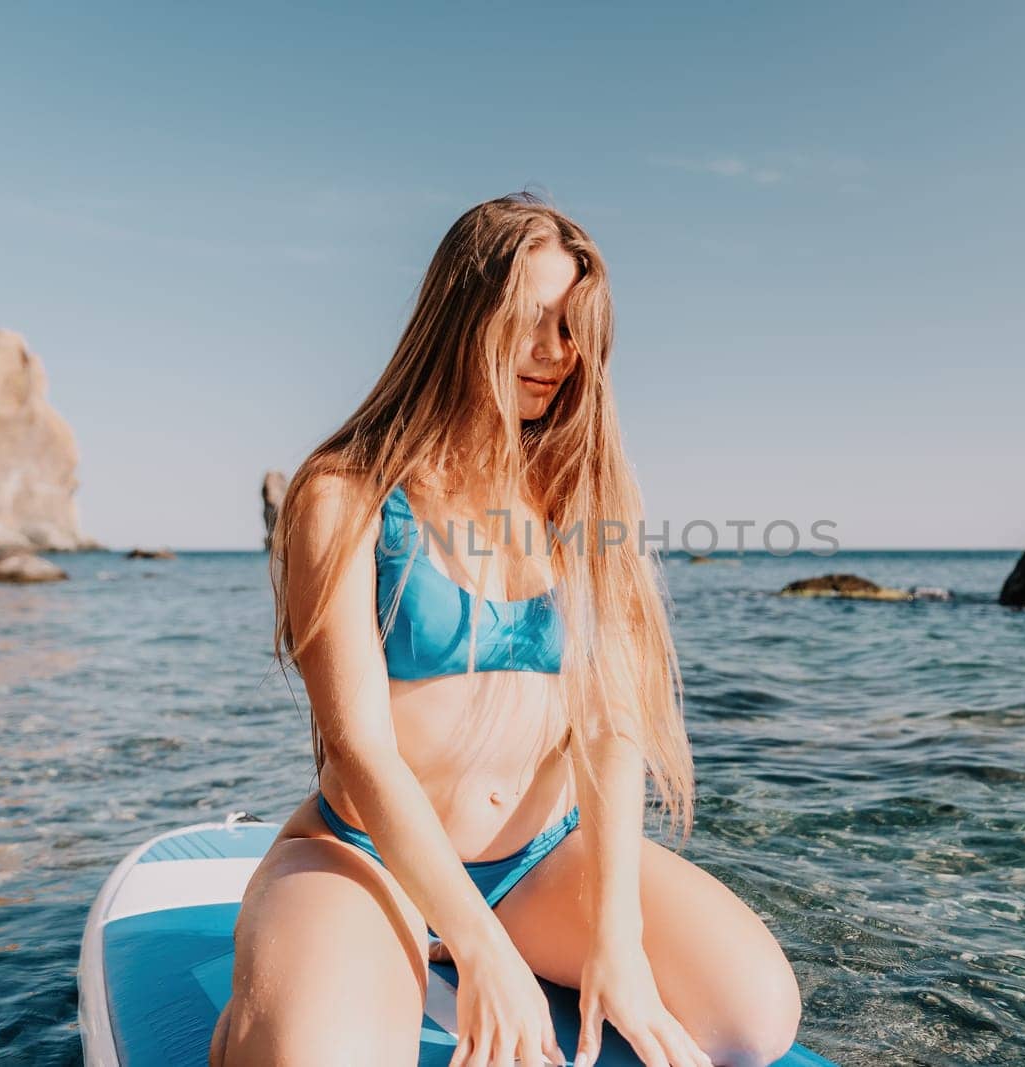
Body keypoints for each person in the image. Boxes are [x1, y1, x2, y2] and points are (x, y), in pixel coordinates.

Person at [209, 192, 802, 1067]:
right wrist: (479, 946)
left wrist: (617, 938)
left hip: (540, 862)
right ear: (460, 315)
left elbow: (610, 724)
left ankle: (473, 943)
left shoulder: (578, 498)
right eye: (527, 320)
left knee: (753, 1017)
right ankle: (281, 995)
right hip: (369, 856)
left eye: (571, 327)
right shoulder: (346, 492)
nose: (553, 353)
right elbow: (362, 747)